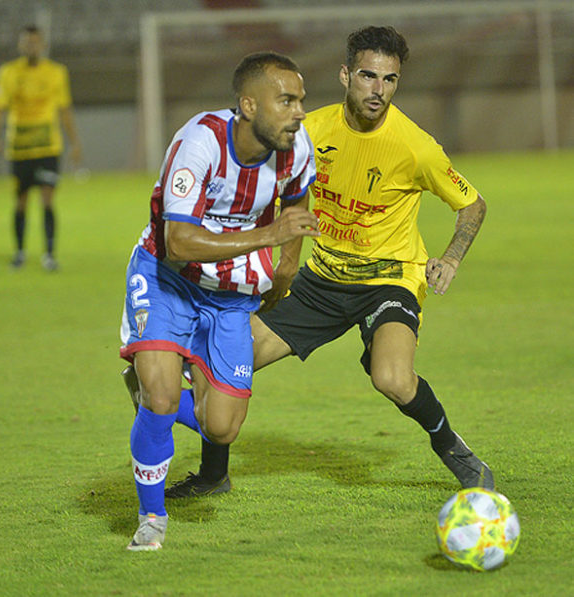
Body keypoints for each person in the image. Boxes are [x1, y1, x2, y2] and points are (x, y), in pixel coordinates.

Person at [130, 25, 494, 499]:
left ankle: (456, 452)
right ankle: (214, 475)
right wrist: (278, 266)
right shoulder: (308, 132)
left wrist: (450, 257)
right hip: (320, 281)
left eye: (389, 80)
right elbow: (278, 197)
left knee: (392, 377)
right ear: (345, 75)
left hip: (389, 280)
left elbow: (473, 204)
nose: (378, 90)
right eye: (368, 76)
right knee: (221, 364)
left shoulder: (414, 146)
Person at [120, 51, 318, 550]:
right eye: (287, 100)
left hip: (232, 291)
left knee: (221, 428)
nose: (298, 112)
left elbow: (297, 200)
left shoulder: (295, 148)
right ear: (249, 105)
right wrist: (269, 236)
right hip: (169, 277)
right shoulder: (199, 142)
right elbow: (179, 242)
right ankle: (151, 519)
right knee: (162, 398)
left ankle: (149, 387)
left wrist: (285, 268)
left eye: (301, 101)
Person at [0, 25, 82, 271]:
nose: (31, 46)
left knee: (48, 199)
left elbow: (65, 110)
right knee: (21, 201)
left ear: (43, 45)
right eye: (27, 42)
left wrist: (75, 143)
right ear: (21, 45)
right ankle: (19, 252)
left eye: (35, 42)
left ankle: (49, 254)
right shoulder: (8, 73)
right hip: (19, 148)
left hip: (48, 147)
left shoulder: (56, 73)